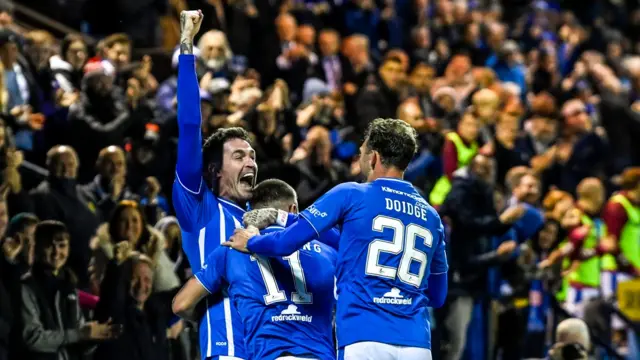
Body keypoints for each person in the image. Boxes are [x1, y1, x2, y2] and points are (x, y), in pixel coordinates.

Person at [226, 118, 448, 360]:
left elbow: (284, 244)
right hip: (417, 343)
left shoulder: (351, 194)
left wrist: (251, 242)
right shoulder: (431, 216)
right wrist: (282, 217)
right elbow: (437, 296)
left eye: (362, 153)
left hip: (363, 337)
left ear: (373, 157)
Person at [173, 179, 337, 360]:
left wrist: (201, 318)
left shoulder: (231, 250)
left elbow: (181, 304)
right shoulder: (329, 253)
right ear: (293, 210)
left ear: (252, 214)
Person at [172, 10, 256, 360]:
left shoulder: (261, 218)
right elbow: (191, 126)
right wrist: (187, 47)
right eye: (239, 156)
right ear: (214, 171)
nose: (251, 162)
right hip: (228, 349)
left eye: (251, 155)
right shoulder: (200, 206)